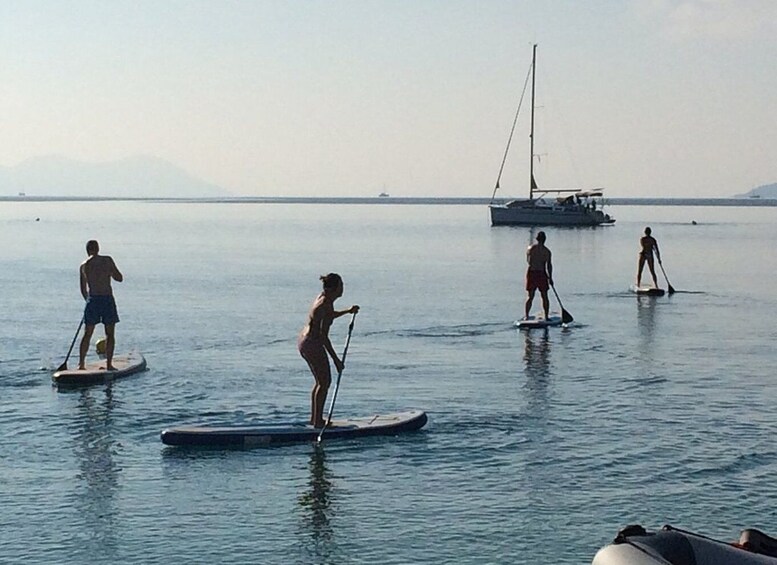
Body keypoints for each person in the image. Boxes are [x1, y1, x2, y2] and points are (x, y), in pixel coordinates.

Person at [298, 273, 359, 428]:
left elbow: (329, 315)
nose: (343, 288)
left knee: (320, 382)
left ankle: (315, 419)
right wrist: (336, 360)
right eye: (341, 285)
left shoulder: (325, 299)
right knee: (325, 382)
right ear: (335, 288)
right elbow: (323, 336)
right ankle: (318, 422)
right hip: (312, 343)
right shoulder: (323, 304)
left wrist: (347, 311)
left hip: (305, 341)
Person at [78, 240, 123, 370]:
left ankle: (81, 364)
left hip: (93, 300)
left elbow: (83, 289)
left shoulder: (84, 265)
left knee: (87, 333)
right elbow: (119, 278)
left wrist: (88, 302)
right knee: (110, 333)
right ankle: (109, 364)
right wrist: (109, 273)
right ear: (98, 249)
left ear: (87, 251)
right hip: (107, 299)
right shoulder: (107, 260)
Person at [525, 231, 553, 320]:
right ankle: (547, 316)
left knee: (530, 296)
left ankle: (526, 316)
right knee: (544, 296)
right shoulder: (547, 251)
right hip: (541, 273)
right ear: (545, 240)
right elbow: (549, 265)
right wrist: (550, 278)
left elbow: (528, 261)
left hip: (532, 272)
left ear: (537, 239)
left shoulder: (531, 249)